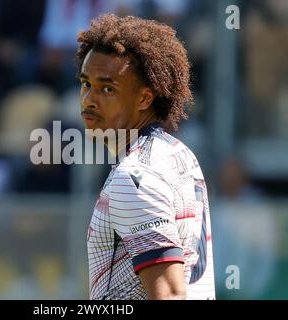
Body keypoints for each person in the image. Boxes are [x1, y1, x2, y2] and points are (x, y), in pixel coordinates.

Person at [76, 14, 215, 300]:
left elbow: (169, 295)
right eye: (86, 83)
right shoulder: (179, 154)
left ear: (144, 99)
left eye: (107, 88)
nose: (88, 99)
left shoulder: (134, 177)